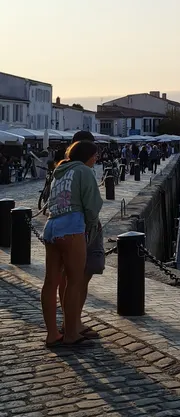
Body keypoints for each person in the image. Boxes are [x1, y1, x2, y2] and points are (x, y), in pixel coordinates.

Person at [40, 139, 103, 346]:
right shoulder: (85, 172)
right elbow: (92, 205)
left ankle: (52, 334)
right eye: (94, 155)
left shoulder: (60, 171)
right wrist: (91, 227)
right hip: (72, 227)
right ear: (87, 156)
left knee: (51, 282)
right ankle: (71, 334)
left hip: (51, 226)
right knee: (75, 281)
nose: (96, 158)